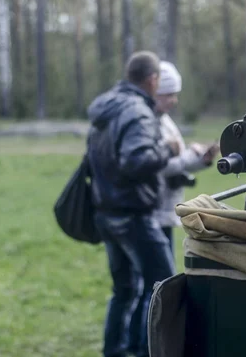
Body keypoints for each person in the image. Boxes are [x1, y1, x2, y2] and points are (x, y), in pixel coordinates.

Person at [86, 51, 176, 357]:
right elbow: (135, 160)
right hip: (133, 216)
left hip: (106, 212)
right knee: (166, 288)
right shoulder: (138, 111)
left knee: (124, 291)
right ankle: (149, 351)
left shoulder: (108, 106)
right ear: (152, 80)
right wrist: (167, 150)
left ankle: (114, 351)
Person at [154, 61, 220, 252]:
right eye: (169, 94)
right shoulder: (149, 122)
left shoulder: (164, 120)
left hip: (165, 207)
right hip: (155, 209)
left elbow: (179, 161)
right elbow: (161, 166)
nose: (174, 100)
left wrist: (202, 159)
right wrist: (192, 154)